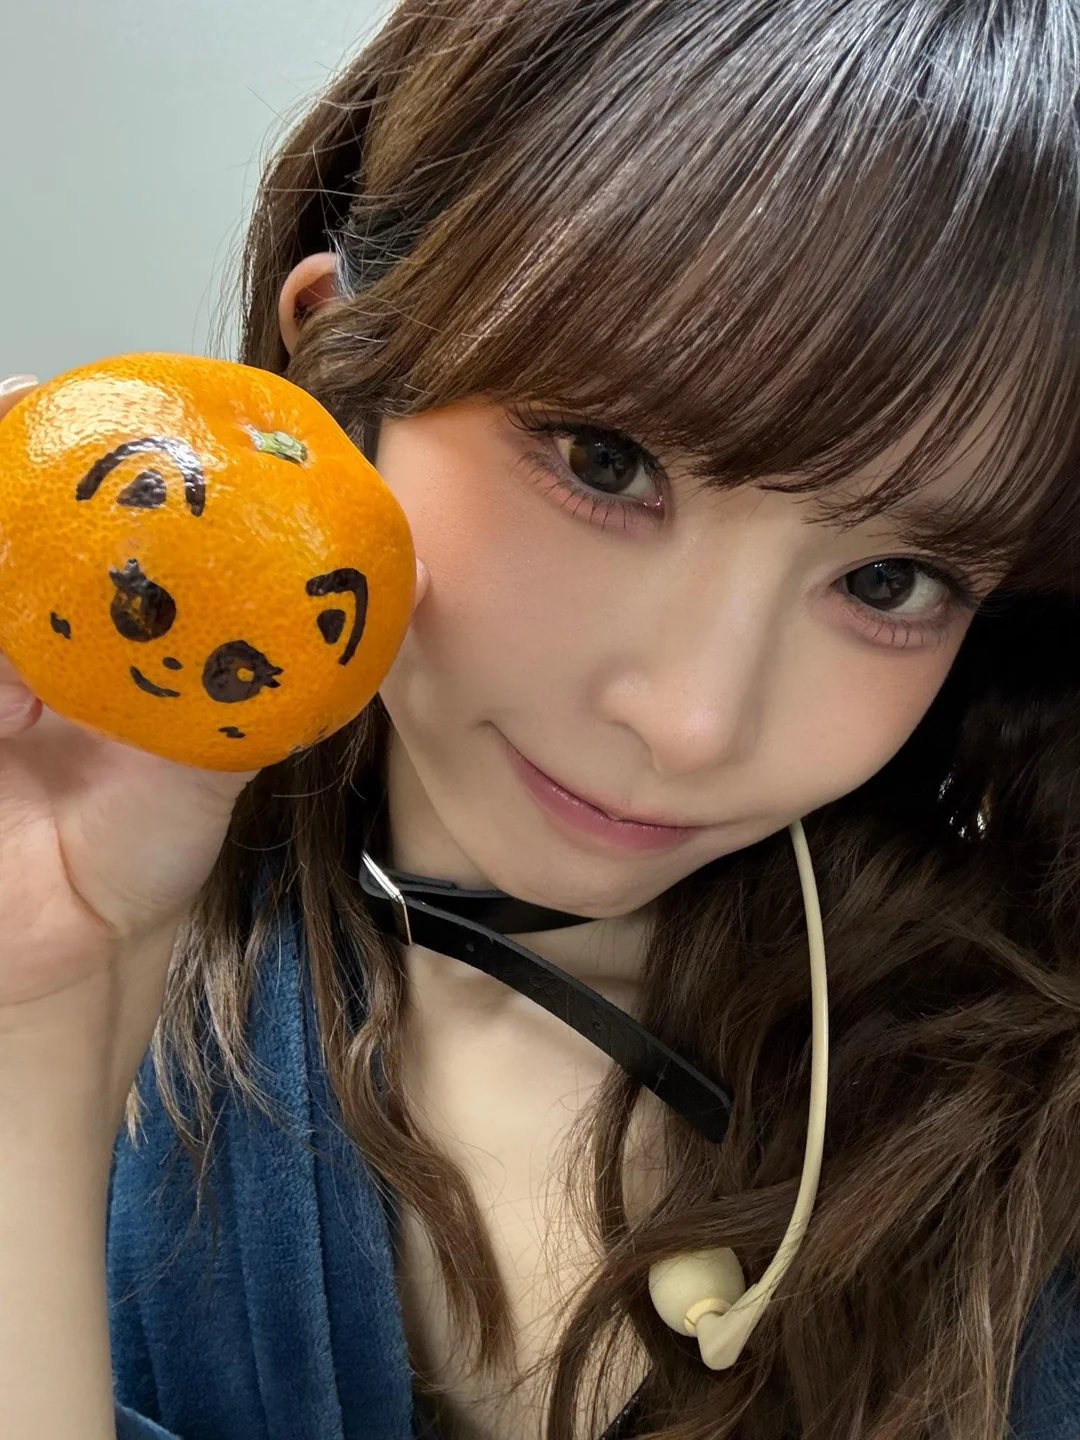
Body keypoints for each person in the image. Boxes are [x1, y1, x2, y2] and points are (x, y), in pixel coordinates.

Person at [3, 0, 1080, 1436]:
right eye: (606, 460)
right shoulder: (113, 974)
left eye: (891, 580)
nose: (692, 723)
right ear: (340, 370)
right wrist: (44, 1037)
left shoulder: (1026, 1082)